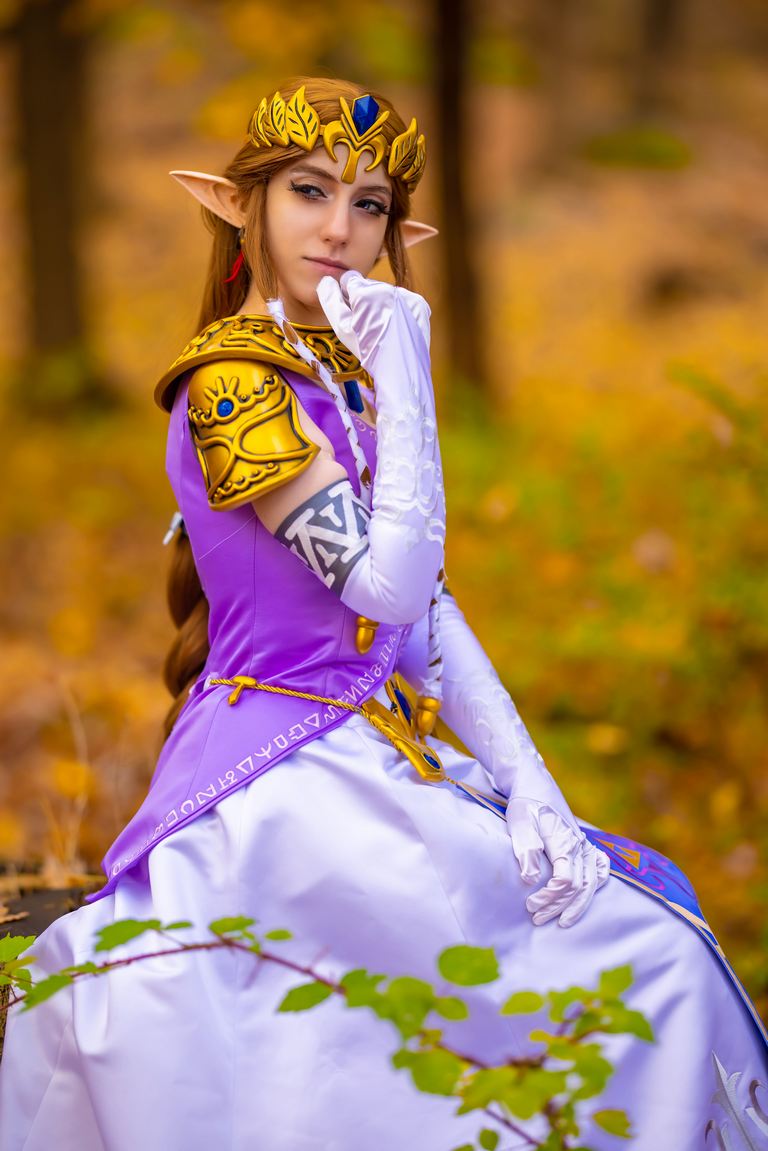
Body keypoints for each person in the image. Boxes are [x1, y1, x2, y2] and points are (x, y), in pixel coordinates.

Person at [0, 75, 766, 1151]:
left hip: (375, 743)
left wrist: (530, 781)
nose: (340, 229)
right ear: (245, 205)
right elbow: (386, 587)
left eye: (369, 205)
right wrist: (408, 386)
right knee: (605, 969)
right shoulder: (233, 387)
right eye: (310, 191)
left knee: (654, 924)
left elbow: (425, 613)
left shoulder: (338, 375)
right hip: (277, 769)